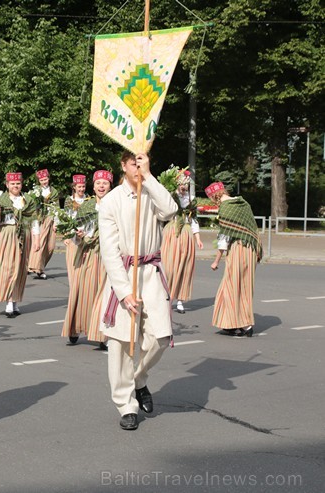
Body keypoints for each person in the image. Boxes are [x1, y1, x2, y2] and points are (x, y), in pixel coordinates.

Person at [98, 152, 178, 431]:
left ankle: (139, 379)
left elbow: (170, 210)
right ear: (122, 165)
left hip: (151, 272)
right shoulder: (111, 201)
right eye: (133, 163)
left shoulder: (152, 193)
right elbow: (109, 251)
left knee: (160, 335)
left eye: (142, 162)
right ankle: (125, 404)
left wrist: (149, 177)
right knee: (120, 343)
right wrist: (122, 291)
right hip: (124, 273)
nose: (137, 166)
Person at [62, 170, 112, 347]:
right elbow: (75, 233)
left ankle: (102, 334)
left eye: (104, 183)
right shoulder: (86, 207)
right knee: (81, 290)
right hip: (88, 253)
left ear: (110, 186)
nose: (101, 186)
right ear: (94, 185)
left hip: (108, 255)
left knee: (104, 293)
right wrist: (79, 236)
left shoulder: (115, 205)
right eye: (98, 183)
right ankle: (75, 328)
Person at [207, 182, 262, 337]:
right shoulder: (243, 203)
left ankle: (242, 325)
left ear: (214, 196)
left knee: (231, 287)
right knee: (245, 286)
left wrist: (216, 260)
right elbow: (253, 228)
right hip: (251, 248)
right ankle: (235, 323)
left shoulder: (225, 209)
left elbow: (224, 239)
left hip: (237, 248)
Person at [0, 172, 40, 317]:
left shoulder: (28, 200)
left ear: (21, 184)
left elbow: (33, 221)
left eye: (18, 183)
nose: (15, 186)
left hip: (23, 234)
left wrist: (37, 240)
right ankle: (8, 301)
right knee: (7, 268)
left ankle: (14, 301)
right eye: (12, 184)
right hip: (5, 234)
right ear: (7, 185)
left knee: (20, 269)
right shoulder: (0, 199)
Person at [160, 170, 203, 314]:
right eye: (181, 183)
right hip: (172, 232)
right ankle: (166, 297)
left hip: (186, 232)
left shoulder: (191, 199)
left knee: (184, 267)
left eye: (186, 183)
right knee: (169, 267)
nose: (184, 186)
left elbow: (193, 219)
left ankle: (179, 300)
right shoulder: (170, 196)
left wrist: (197, 238)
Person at [28, 168, 60, 279]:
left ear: (48, 178)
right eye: (41, 180)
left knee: (50, 246)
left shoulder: (53, 191)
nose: (44, 182)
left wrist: (56, 222)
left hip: (50, 219)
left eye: (45, 179)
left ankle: (40, 265)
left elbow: (56, 207)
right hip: (39, 219)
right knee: (40, 243)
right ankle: (38, 268)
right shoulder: (35, 191)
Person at [63, 174, 88, 280]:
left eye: (83, 186)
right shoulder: (69, 200)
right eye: (79, 187)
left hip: (85, 233)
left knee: (83, 263)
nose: (81, 189)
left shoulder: (88, 199)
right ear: (74, 187)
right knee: (72, 261)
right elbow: (66, 218)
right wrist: (66, 235)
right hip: (73, 234)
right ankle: (73, 284)